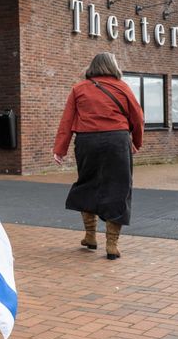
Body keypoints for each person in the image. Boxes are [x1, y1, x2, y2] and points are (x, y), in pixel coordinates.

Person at [52, 52, 144, 260]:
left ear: (92, 67)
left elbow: (67, 121)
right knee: (119, 188)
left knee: (87, 184)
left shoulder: (79, 88)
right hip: (117, 141)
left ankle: (90, 236)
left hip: (87, 141)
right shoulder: (123, 88)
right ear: (113, 66)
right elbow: (138, 118)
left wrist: (60, 149)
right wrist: (136, 142)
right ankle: (111, 245)